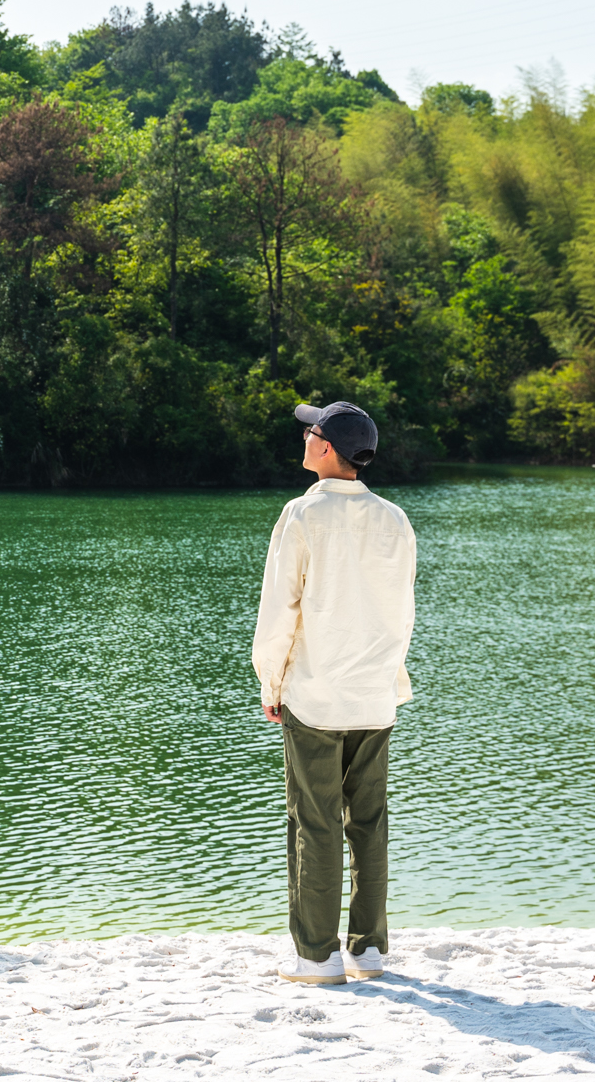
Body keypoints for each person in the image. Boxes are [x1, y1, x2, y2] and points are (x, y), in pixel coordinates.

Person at [251, 400, 416, 987]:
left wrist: (272, 683)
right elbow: (403, 615)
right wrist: (390, 680)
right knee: (370, 822)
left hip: (315, 696)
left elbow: (279, 612)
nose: (303, 435)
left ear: (326, 448)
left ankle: (316, 957)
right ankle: (369, 951)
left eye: (310, 430)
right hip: (375, 698)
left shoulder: (301, 515)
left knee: (314, 821)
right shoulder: (395, 518)